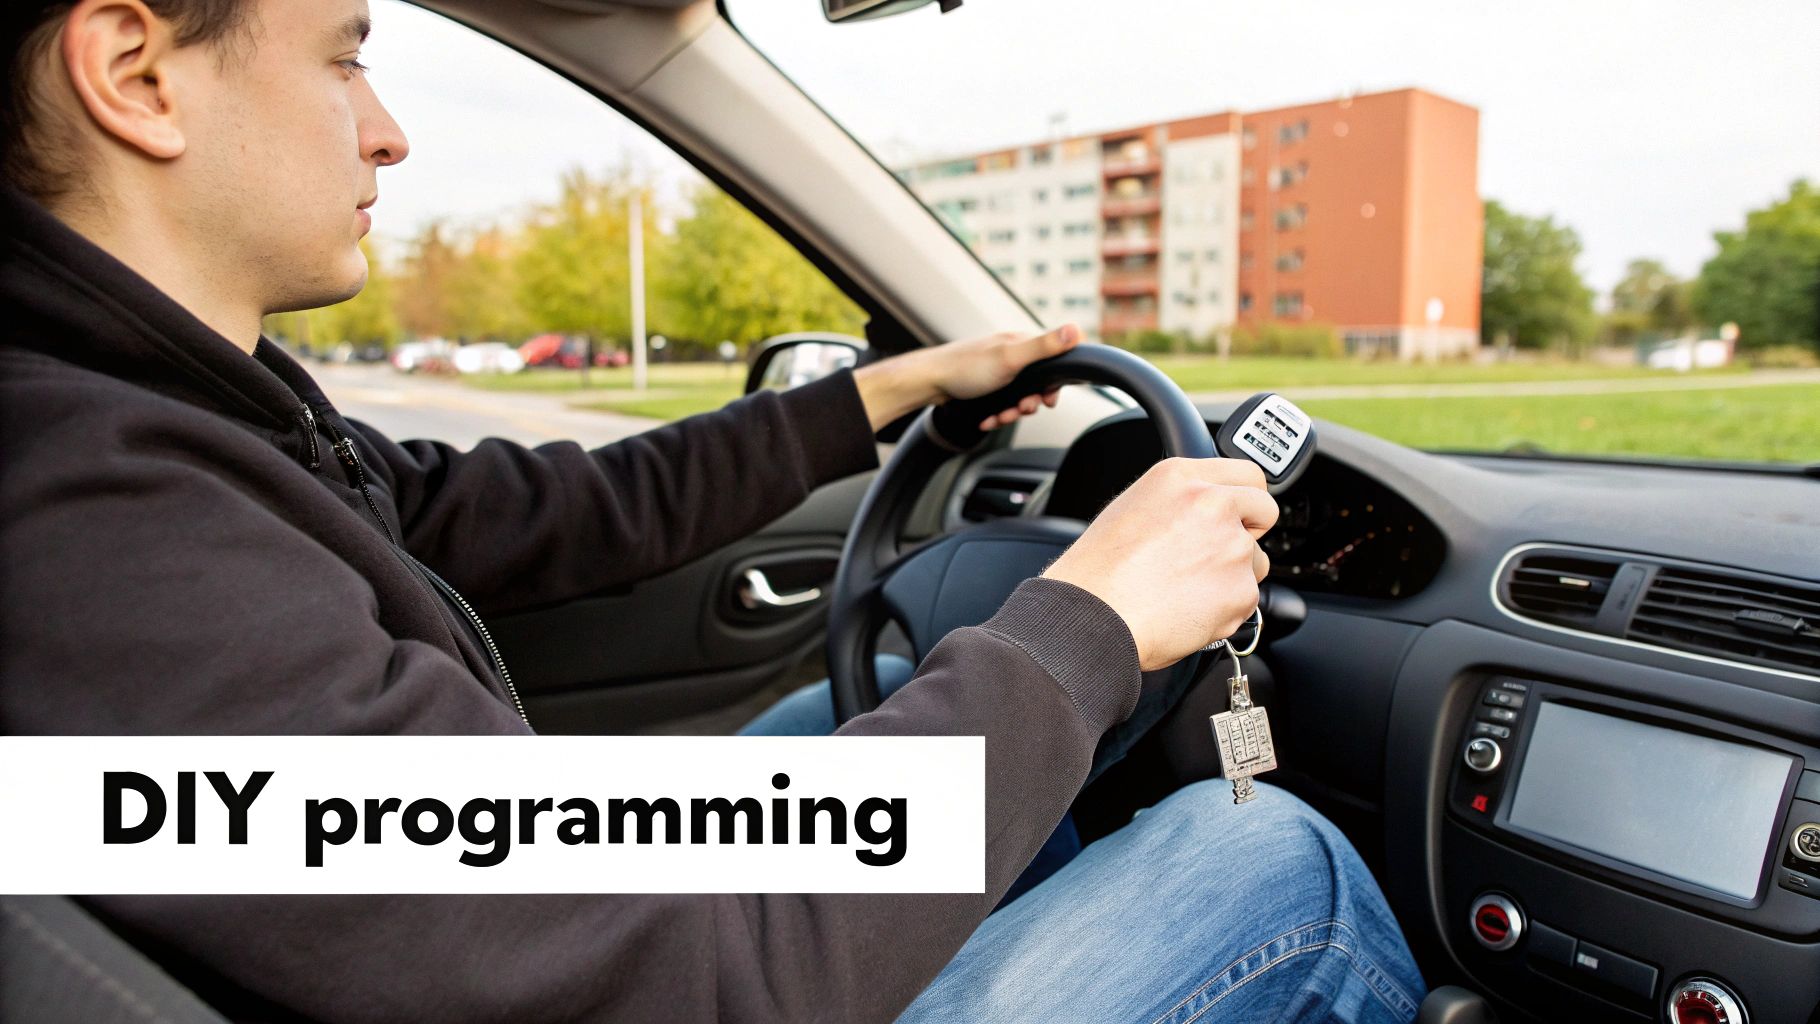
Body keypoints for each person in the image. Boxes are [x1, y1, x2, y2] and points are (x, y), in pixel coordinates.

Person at [0, 1, 1425, 1021]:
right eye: (345, 55)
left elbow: (569, 509)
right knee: (1267, 862)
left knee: (849, 721)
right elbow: (699, 976)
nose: (387, 133)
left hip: (518, 924)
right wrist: (1088, 625)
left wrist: (895, 388)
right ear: (136, 72)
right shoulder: (95, 524)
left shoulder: (190, 417)